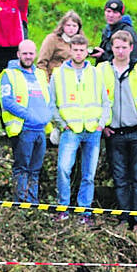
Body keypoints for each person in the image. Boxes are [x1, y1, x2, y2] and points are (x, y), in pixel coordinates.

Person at [48, 34, 111, 225]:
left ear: (87, 51)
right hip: (70, 129)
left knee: (89, 174)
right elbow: (51, 104)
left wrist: (101, 123)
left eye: (82, 50)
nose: (78, 53)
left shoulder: (95, 73)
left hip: (93, 129)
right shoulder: (58, 74)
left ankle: (85, 213)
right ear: (70, 50)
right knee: (63, 169)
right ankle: (63, 209)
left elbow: (106, 102)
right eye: (75, 49)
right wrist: (62, 124)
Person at [99, 30, 137, 232]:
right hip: (114, 133)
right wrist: (104, 125)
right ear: (111, 48)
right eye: (117, 47)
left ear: (131, 48)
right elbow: (97, 99)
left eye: (124, 47)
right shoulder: (102, 70)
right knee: (120, 179)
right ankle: (124, 218)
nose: (120, 51)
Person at [0, 40, 51, 203]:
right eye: (25, 53)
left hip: (40, 129)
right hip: (24, 129)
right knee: (22, 168)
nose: (28, 57)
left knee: (35, 170)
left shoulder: (41, 74)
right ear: (18, 54)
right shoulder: (9, 74)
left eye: (31, 53)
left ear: (35, 54)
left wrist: (46, 116)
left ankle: (33, 203)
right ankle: (21, 203)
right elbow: (8, 102)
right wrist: (29, 115)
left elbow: (48, 99)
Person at [37, 10, 86, 81]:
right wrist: (46, 82)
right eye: (68, 25)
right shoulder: (52, 39)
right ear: (62, 26)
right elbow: (41, 63)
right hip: (54, 79)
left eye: (74, 26)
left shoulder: (81, 42)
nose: (71, 28)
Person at [90, 0, 137, 65]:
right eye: (108, 11)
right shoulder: (106, 30)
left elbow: (132, 58)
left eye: (115, 12)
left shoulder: (128, 32)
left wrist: (103, 56)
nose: (111, 15)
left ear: (121, 15)